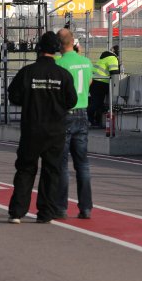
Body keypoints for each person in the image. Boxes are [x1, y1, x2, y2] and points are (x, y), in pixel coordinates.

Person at [7, 32, 77, 224]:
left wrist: (30, 100)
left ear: (39, 49)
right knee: (51, 171)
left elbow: (13, 95)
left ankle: (17, 212)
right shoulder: (63, 75)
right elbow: (72, 101)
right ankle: (45, 213)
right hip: (55, 131)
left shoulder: (27, 72)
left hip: (31, 128)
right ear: (56, 51)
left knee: (25, 169)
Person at [55, 28, 94, 219]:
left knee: (62, 165)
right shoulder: (86, 62)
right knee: (83, 164)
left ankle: (61, 206)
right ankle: (86, 207)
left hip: (65, 114)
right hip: (82, 113)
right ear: (74, 43)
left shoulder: (59, 64)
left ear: (59, 45)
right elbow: (89, 83)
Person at [88, 45, 120, 128]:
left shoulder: (104, 57)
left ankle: (95, 121)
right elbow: (114, 72)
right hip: (101, 82)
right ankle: (88, 120)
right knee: (96, 103)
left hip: (94, 80)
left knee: (97, 103)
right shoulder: (113, 58)